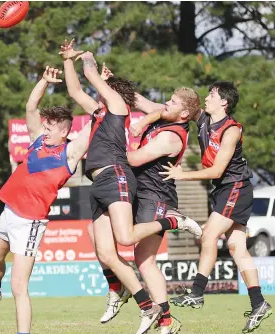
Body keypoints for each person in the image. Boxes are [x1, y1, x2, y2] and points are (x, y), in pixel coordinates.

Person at [59, 39, 201, 334]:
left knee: (142, 258)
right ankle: (124, 292)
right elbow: (129, 99)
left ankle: (161, 313)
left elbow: (133, 157)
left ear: (184, 114)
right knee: (101, 242)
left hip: (152, 192)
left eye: (173, 103)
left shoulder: (170, 135)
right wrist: (70, 62)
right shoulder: (131, 114)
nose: (166, 104)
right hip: (118, 183)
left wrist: (86, 59)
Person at [0, 66, 92, 334]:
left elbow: (97, 119)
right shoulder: (37, 142)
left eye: (50, 128)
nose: (44, 129)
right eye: (45, 126)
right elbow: (31, 106)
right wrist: (44, 81)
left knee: (19, 286)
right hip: (9, 211)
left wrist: (103, 96)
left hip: (30, 222)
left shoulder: (69, 154)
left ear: (64, 132)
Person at [160, 81, 272, 333]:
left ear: (224, 102)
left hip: (236, 188)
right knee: (237, 248)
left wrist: (181, 174)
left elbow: (218, 170)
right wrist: (128, 97)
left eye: (212, 94)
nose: (206, 97)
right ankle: (258, 303)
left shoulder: (231, 130)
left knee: (209, 234)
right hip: (224, 190)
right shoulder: (203, 120)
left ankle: (197, 292)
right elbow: (178, 108)